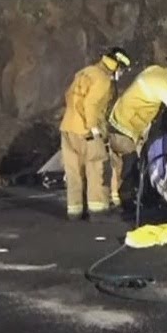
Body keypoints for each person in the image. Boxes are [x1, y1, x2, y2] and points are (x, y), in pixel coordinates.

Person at [107, 53, 167, 210]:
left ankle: (117, 198)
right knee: (130, 166)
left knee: (120, 166)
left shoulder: (156, 71)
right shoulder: (162, 84)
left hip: (121, 124)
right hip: (125, 128)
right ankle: (127, 204)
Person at [59, 47, 131, 220]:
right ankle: (98, 211)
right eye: (121, 69)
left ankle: (74, 212)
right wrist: (94, 129)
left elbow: (68, 95)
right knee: (97, 169)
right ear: (116, 65)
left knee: (74, 172)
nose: (121, 73)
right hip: (86, 132)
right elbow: (90, 105)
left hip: (68, 127)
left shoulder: (85, 72)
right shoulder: (103, 80)